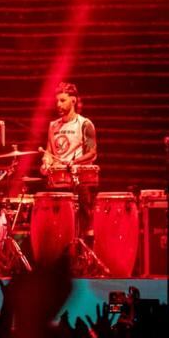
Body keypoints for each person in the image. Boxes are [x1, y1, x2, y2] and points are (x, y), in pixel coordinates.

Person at [39, 82, 97, 239]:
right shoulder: (53, 126)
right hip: (57, 183)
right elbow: (49, 152)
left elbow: (92, 153)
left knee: (83, 228)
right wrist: (46, 162)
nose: (58, 104)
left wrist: (75, 162)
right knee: (56, 229)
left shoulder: (85, 124)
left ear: (73, 100)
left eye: (62, 100)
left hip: (78, 183)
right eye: (57, 101)